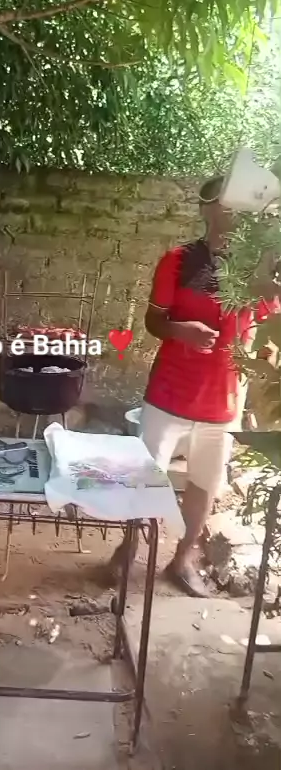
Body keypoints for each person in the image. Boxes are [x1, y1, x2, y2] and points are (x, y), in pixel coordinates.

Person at [110, 176, 278, 597]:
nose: (230, 212)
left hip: (224, 399)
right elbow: (154, 320)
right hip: (169, 393)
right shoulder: (178, 261)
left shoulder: (257, 272)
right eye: (222, 203)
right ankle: (128, 550)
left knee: (206, 483)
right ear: (206, 210)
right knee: (144, 478)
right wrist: (180, 330)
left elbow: (267, 329)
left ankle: (182, 559)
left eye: (238, 204)